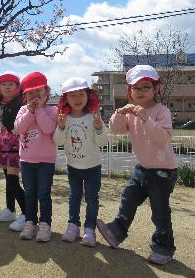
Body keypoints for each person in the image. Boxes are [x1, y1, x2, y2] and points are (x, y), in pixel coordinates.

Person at [96, 65, 178, 265]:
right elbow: (115, 130)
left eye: (146, 87)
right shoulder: (130, 112)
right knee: (129, 198)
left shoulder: (161, 111)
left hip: (163, 170)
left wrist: (144, 117)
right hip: (142, 168)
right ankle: (117, 231)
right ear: (129, 91)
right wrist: (120, 113)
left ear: (156, 89)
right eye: (136, 88)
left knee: (159, 211)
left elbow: (162, 138)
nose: (140, 92)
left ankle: (163, 247)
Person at [54, 77, 108, 246]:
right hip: (73, 166)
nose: (77, 99)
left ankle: (89, 229)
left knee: (92, 198)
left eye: (81, 94)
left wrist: (99, 128)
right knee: (74, 196)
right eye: (73, 96)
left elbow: (102, 143)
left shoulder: (94, 117)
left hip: (92, 166)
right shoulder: (64, 118)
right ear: (66, 99)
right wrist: (61, 127)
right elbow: (58, 141)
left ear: (88, 96)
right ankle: (73, 226)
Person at [14, 72, 57, 242]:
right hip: (26, 160)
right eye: (30, 93)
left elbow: (48, 129)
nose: (34, 96)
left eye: (37, 92)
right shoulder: (23, 110)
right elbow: (19, 129)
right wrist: (30, 111)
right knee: (30, 193)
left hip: (46, 161)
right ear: (25, 96)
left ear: (46, 92)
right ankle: (30, 222)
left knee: (43, 194)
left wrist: (39, 110)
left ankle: (45, 224)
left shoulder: (53, 110)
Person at [0, 72, 27, 232]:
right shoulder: (6, 103)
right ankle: (10, 210)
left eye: (11, 84)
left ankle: (28, 214)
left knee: (12, 180)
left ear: (18, 87)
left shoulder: (21, 103)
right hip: (5, 145)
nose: (7, 87)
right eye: (3, 84)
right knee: (8, 179)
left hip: (15, 146)